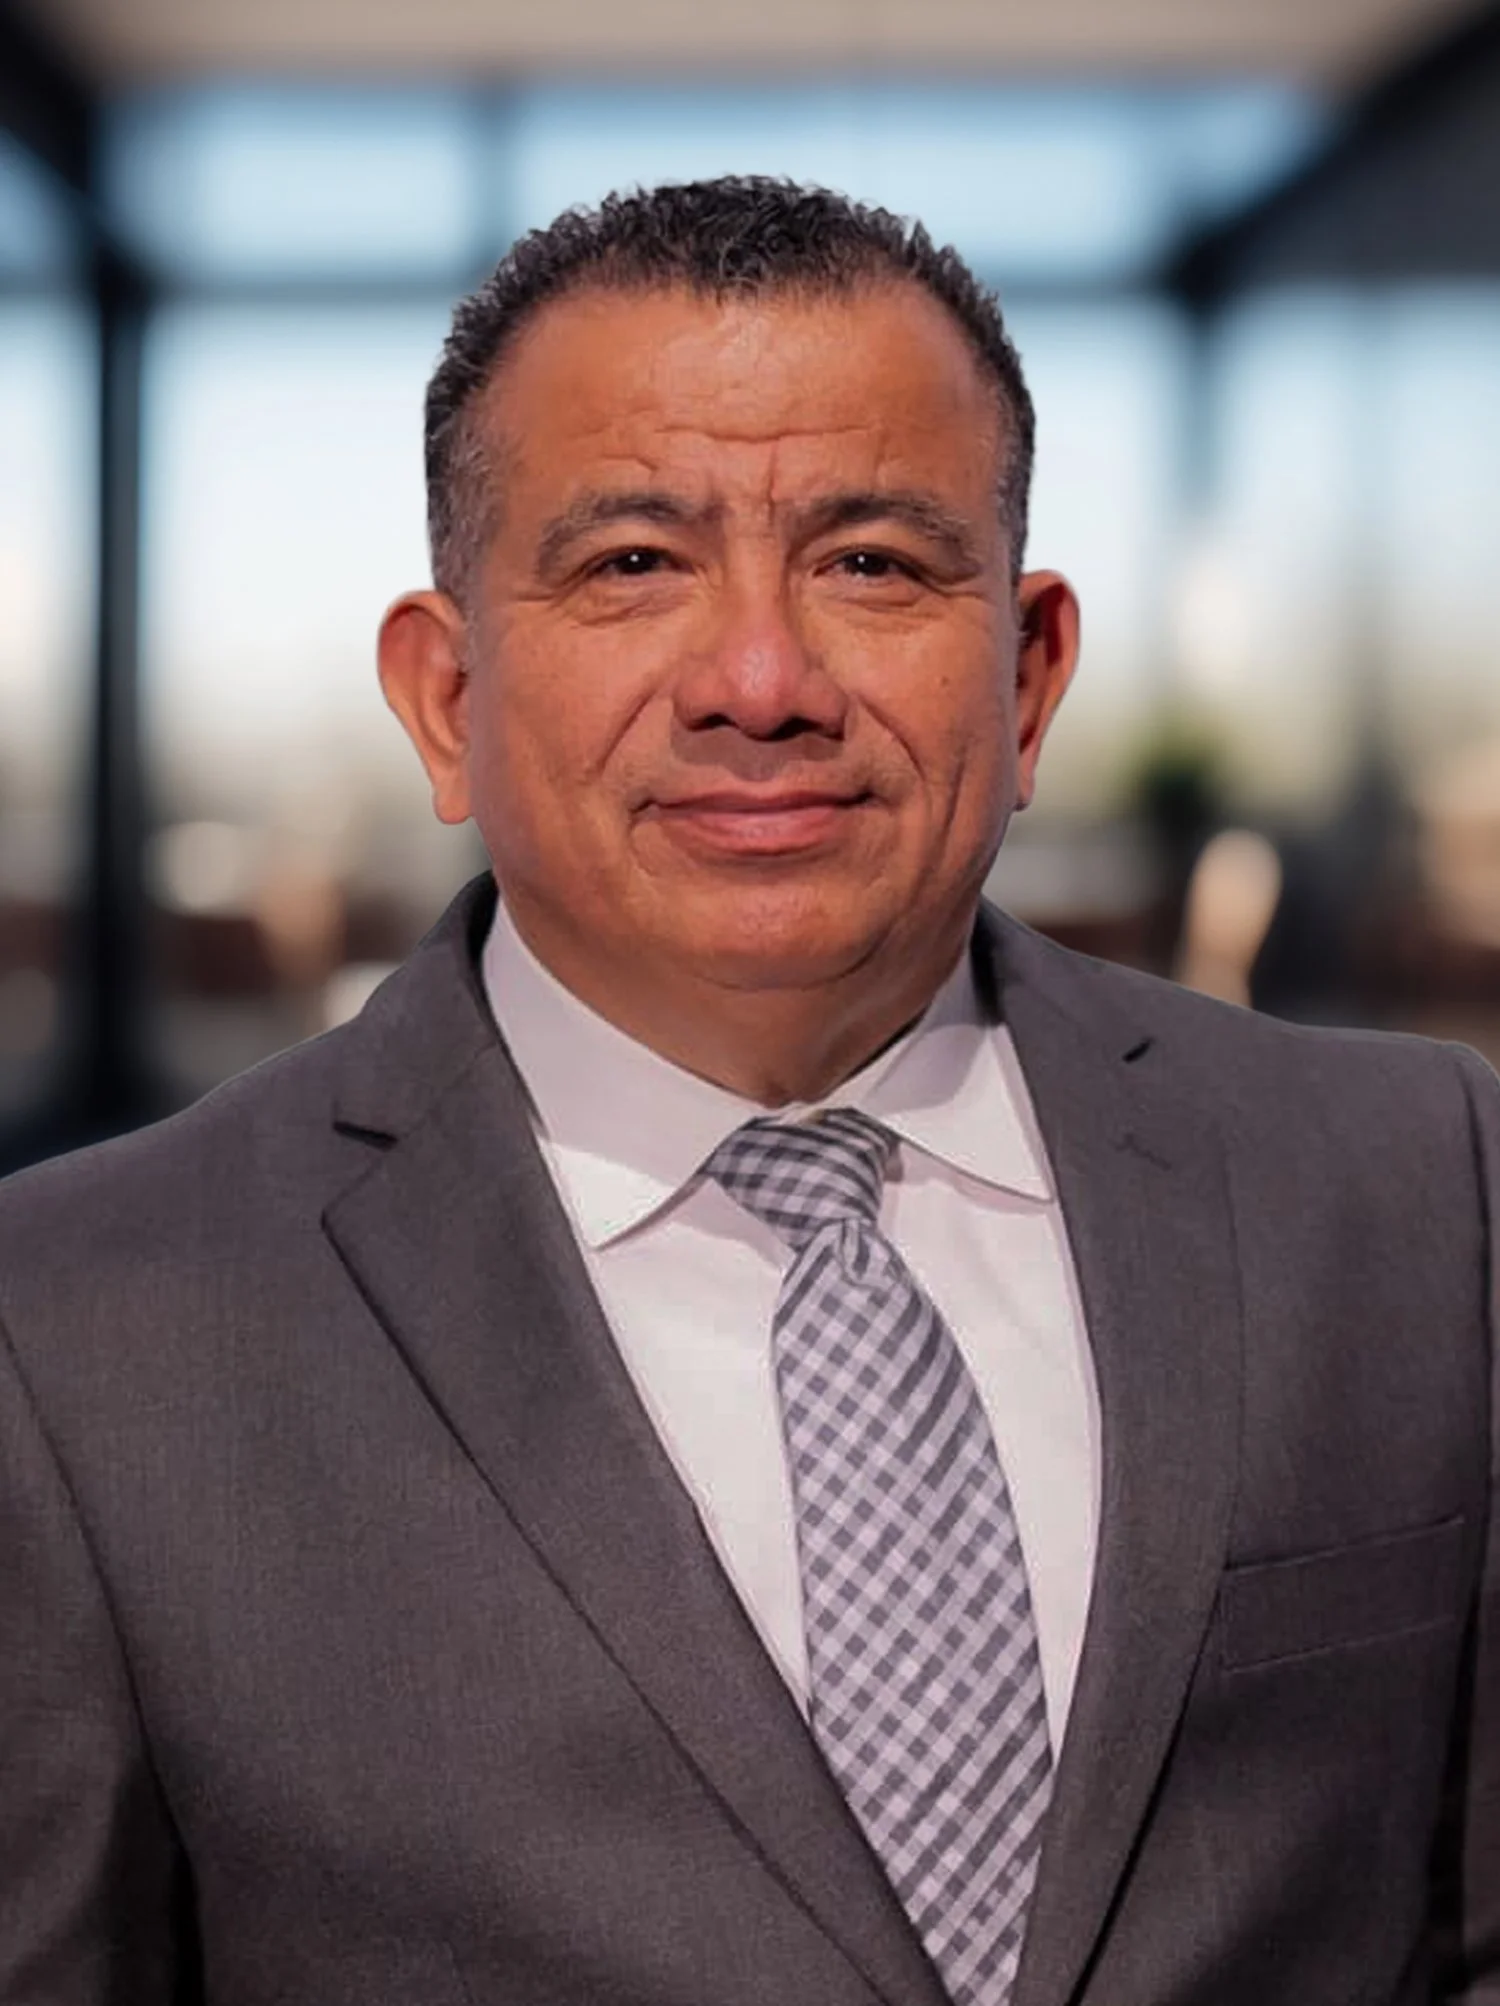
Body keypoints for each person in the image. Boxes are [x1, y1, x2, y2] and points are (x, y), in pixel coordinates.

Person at [0, 177, 1496, 2006]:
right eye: (632, 563)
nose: (763, 681)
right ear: (446, 694)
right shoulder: (68, 1328)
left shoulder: (1424, 1186)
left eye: (873, 561)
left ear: (1026, 679)